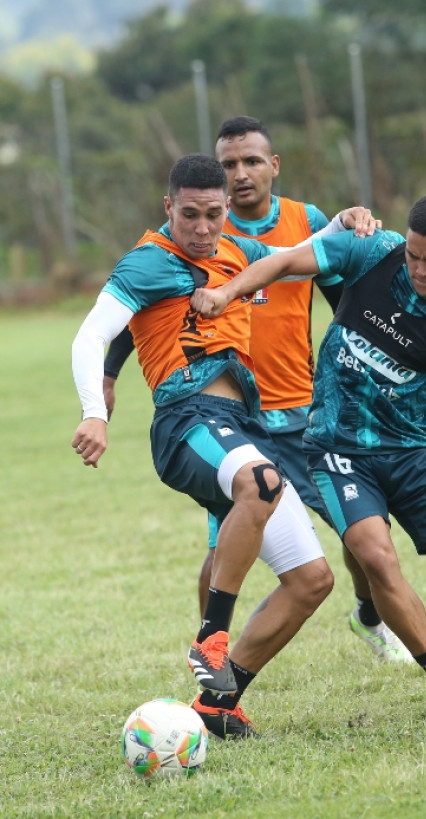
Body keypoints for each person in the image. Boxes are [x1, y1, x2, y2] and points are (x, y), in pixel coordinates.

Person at [191, 192, 426, 713]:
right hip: (335, 448)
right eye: (414, 256)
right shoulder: (373, 250)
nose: (419, 269)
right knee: (375, 557)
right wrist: (226, 294)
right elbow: (284, 260)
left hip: (411, 453)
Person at [71, 153, 375, 739]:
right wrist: (94, 413)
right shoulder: (147, 263)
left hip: (241, 428)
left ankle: (219, 703)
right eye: (191, 215)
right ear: (169, 208)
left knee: (313, 580)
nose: (204, 228)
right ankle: (212, 634)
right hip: (187, 421)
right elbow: (91, 334)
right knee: (260, 481)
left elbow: (294, 257)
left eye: (214, 215)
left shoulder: (236, 251)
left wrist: (342, 222)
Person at [103, 116, 409, 663]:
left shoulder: (305, 221)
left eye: (250, 161)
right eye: (228, 165)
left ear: (273, 165)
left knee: (357, 530)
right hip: (228, 419)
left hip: (302, 412)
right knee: (223, 543)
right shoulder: (187, 242)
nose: (240, 173)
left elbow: (344, 301)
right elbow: (144, 316)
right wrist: (106, 377)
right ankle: (210, 651)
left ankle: (367, 615)